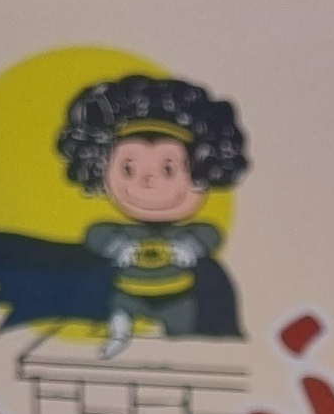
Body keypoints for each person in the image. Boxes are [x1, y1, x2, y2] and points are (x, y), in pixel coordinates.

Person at [55, 73, 250, 354]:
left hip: (179, 295)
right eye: (128, 169)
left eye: (169, 169)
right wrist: (116, 246)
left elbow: (210, 235)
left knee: (183, 331)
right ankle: (120, 328)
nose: (147, 182)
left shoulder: (192, 236)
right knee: (120, 307)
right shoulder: (118, 231)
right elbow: (96, 234)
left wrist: (191, 247)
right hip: (128, 292)